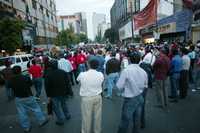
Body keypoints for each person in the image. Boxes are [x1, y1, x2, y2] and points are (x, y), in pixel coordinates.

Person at [8, 66, 48, 132]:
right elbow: (30, 84)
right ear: (20, 71)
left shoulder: (11, 79)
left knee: (22, 113)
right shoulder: (25, 77)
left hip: (18, 98)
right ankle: (41, 121)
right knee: (36, 108)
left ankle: (26, 127)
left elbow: (9, 86)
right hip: (28, 96)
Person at [116, 52, 148, 133]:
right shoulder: (143, 72)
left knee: (125, 120)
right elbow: (145, 85)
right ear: (140, 60)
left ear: (130, 60)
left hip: (130, 98)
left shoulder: (126, 71)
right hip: (140, 97)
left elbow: (119, 86)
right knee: (136, 120)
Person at [77, 59, 104, 133]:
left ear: (88, 65)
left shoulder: (82, 74)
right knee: (98, 116)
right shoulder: (100, 74)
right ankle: (97, 131)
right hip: (98, 97)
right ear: (97, 66)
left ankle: (86, 131)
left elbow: (78, 81)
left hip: (87, 98)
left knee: (87, 116)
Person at [44, 60, 72, 125]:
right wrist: (69, 91)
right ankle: (67, 115)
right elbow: (68, 83)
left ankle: (60, 119)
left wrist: (48, 95)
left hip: (54, 94)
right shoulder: (63, 72)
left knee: (56, 107)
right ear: (57, 65)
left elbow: (47, 86)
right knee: (64, 104)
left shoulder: (48, 75)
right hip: (63, 92)